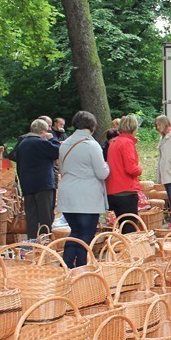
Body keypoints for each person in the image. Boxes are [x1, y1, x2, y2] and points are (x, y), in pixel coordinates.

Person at [58, 111, 110, 268]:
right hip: (86, 196)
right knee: (86, 234)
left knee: (75, 232)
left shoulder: (64, 144)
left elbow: (62, 168)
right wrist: (107, 165)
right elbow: (102, 172)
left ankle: (66, 266)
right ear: (92, 126)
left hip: (67, 194)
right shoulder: (91, 145)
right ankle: (82, 267)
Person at [13, 118, 60, 240]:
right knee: (45, 215)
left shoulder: (22, 144)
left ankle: (32, 241)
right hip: (43, 184)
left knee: (31, 216)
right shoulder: (41, 142)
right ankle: (45, 240)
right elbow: (57, 152)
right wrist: (52, 139)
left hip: (27, 184)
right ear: (43, 131)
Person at [106, 115, 143, 232]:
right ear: (134, 128)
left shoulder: (114, 142)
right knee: (130, 228)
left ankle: (123, 248)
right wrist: (140, 169)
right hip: (125, 190)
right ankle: (129, 250)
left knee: (123, 225)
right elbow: (131, 168)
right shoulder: (127, 142)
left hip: (114, 190)